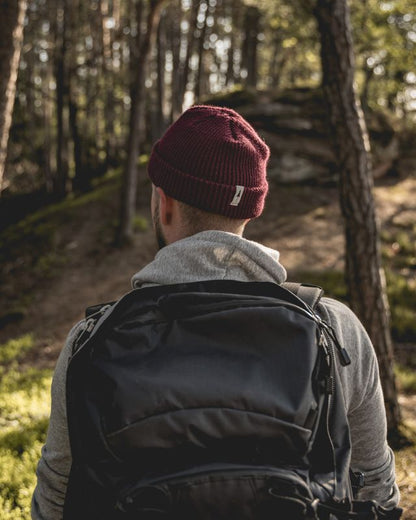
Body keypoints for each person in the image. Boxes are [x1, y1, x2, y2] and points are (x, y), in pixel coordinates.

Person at [32, 105, 400, 519]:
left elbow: (56, 499)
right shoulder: (335, 329)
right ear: (250, 210)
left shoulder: (92, 339)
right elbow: (377, 491)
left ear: (163, 202)